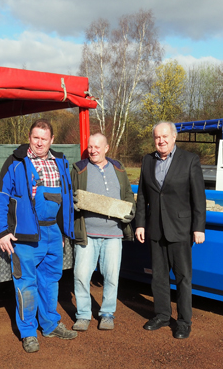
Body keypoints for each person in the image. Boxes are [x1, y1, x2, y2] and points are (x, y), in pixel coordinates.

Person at [0, 118, 77, 353]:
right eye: (35, 138)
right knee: (26, 284)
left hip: (52, 232)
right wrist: (2, 232)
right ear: (29, 138)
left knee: (51, 281)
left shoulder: (60, 161)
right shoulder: (15, 162)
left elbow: (66, 199)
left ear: (51, 140)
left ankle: (50, 324)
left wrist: (62, 230)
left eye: (44, 138)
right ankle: (28, 331)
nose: (39, 143)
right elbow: (1, 198)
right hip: (25, 234)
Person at [134, 121, 206, 339]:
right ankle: (163, 315)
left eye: (165, 136)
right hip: (155, 229)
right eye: (157, 137)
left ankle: (184, 321)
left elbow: (198, 198)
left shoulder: (190, 160)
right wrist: (140, 223)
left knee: (183, 277)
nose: (161, 140)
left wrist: (198, 227)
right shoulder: (147, 160)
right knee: (159, 277)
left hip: (181, 229)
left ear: (174, 138)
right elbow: (143, 196)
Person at [71, 133, 136, 332]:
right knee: (81, 274)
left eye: (97, 147)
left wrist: (130, 212)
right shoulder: (79, 169)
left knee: (111, 275)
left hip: (114, 233)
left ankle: (107, 313)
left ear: (106, 148)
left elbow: (127, 195)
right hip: (87, 233)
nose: (93, 150)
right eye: (90, 147)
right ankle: (83, 315)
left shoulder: (118, 168)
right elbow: (69, 195)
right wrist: (74, 203)